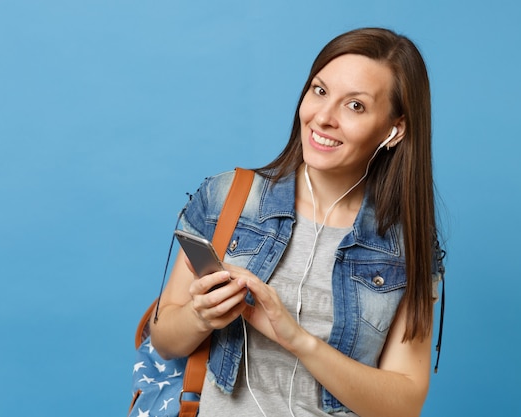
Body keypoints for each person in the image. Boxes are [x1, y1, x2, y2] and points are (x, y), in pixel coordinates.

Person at [150, 27, 445, 417]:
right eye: (320, 91)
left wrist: (297, 340)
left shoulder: (407, 245)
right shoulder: (229, 197)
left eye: (354, 106)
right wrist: (200, 315)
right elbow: (164, 340)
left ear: (395, 130)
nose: (323, 118)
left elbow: (403, 404)